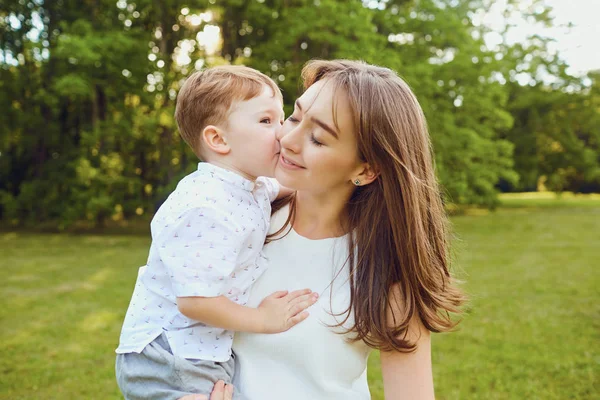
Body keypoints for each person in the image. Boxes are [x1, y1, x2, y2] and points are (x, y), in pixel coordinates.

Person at [227, 59, 466, 400]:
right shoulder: (237, 217)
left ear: (367, 170)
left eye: (319, 139)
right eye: (294, 116)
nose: (289, 139)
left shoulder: (387, 272)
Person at [115, 65, 319, 400]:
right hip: (169, 356)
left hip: (202, 352)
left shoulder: (249, 186)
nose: (283, 133)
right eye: (266, 121)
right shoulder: (204, 205)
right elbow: (196, 301)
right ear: (218, 139)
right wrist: (263, 320)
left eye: (281, 119)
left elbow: (291, 188)